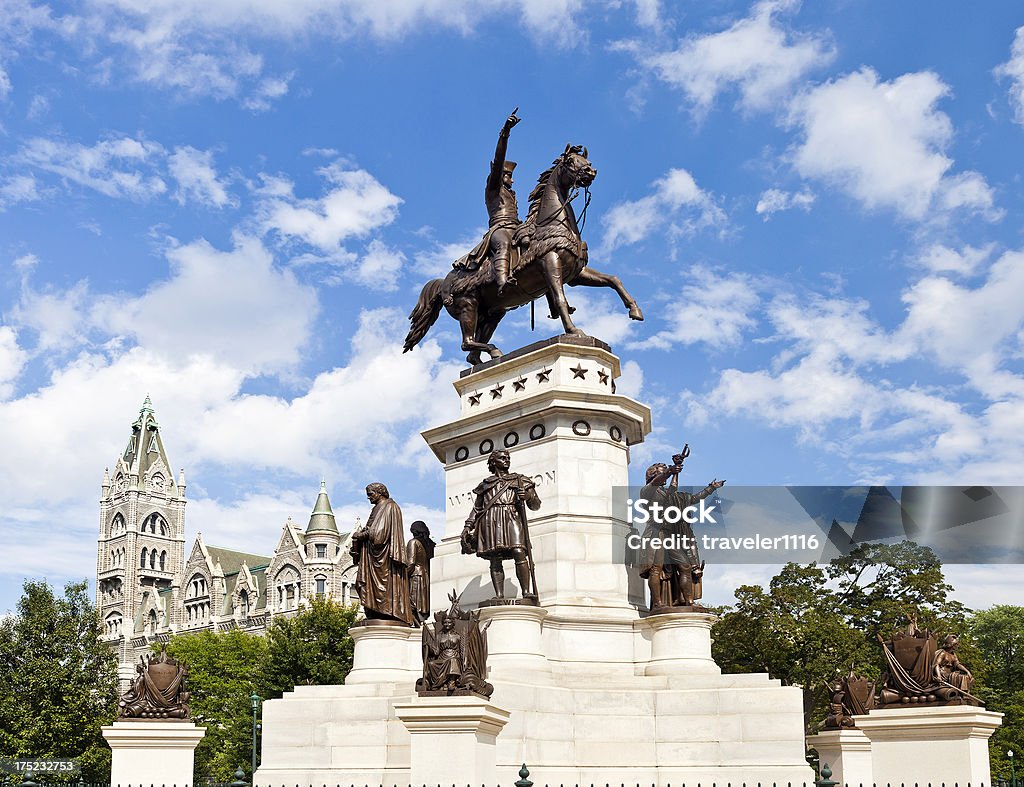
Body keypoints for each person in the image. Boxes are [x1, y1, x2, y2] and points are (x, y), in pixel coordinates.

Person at [638, 451, 725, 610]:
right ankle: (657, 604)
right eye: (661, 469)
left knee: (684, 566)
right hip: (655, 533)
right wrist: (670, 471)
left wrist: (710, 488)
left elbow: (674, 488)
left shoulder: (666, 493)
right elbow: (659, 481)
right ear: (653, 474)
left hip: (669, 535)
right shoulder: (647, 491)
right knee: (655, 568)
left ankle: (688, 601)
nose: (664, 470)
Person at [449, 110, 522, 296]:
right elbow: (498, 160)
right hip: (499, 229)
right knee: (504, 244)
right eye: (509, 176)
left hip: (516, 227)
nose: (512, 181)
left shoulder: (511, 194)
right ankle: (502, 283)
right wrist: (505, 133)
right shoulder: (493, 188)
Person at [461, 449, 541, 601]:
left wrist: (528, 496)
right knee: (494, 556)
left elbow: (536, 505)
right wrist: (467, 527)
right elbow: (477, 509)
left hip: (512, 517)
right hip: (491, 520)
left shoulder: (520, 480)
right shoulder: (485, 485)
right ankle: (499, 595)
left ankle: (526, 592)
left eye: (508, 458)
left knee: (519, 551)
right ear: (493, 462)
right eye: (502, 458)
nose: (506, 460)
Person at [350, 482, 413, 625]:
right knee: (366, 585)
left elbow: (379, 534)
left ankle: (386, 612)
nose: (369, 498)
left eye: (371, 494)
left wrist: (361, 535)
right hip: (371, 556)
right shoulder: (377, 508)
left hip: (384, 558)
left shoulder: (389, 506)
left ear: (380, 492)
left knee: (384, 587)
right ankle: (374, 611)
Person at [406, 520, 435, 626]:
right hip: (426, 576)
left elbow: (411, 563)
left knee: (414, 602)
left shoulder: (413, 543)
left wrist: (401, 576)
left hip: (415, 576)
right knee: (423, 603)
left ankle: (417, 624)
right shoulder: (430, 545)